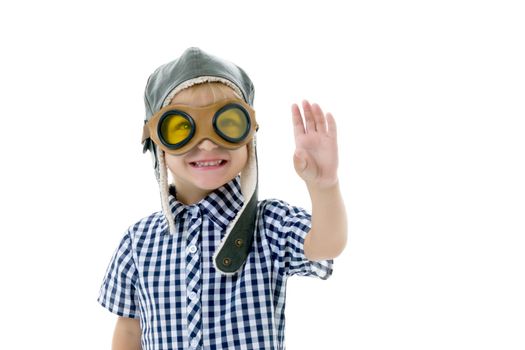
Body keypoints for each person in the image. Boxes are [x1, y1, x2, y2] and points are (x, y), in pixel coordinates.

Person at [98, 47, 347, 350]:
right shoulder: (138, 242)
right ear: (157, 144)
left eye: (227, 124)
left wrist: (323, 186)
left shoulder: (268, 225)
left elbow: (326, 245)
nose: (206, 143)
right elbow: (127, 330)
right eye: (181, 128)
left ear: (249, 137)